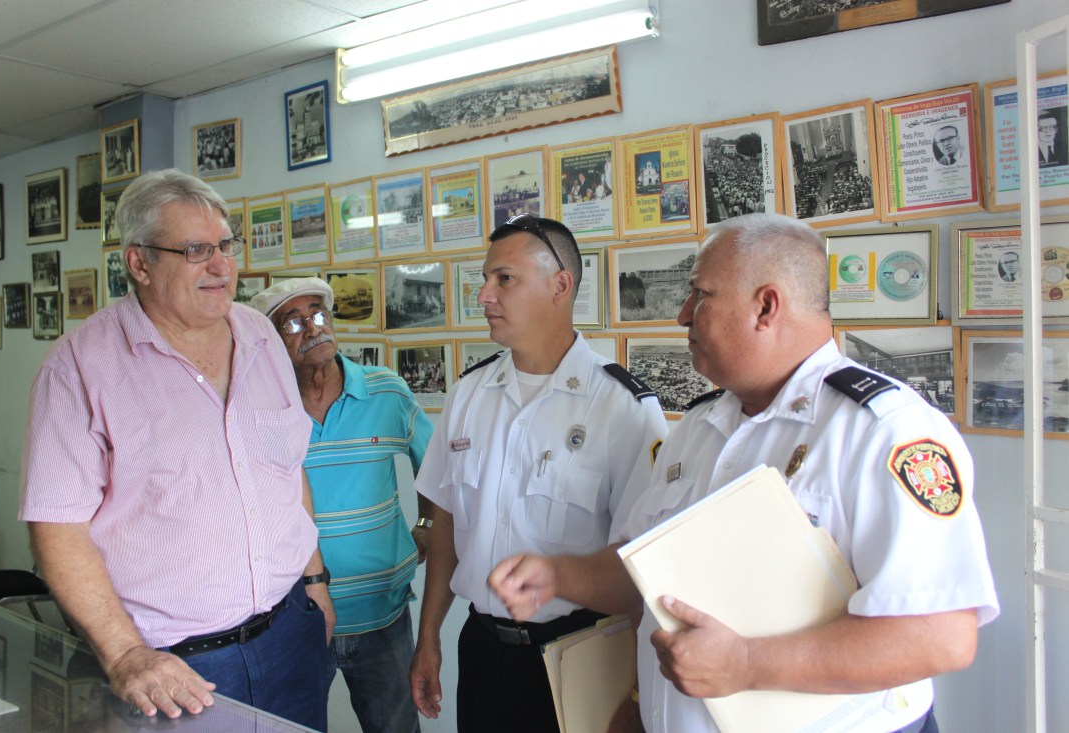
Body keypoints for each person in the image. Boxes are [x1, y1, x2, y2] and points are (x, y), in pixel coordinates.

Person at [489, 213, 999, 733]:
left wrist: (748, 663)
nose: (682, 315)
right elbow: (647, 576)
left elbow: (940, 635)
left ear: (766, 307)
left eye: (700, 296)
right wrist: (559, 577)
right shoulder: (700, 427)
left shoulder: (884, 432)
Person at [18, 169, 334, 731]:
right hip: (173, 667)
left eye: (224, 247)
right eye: (194, 250)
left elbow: (286, 470)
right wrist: (124, 656)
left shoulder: (261, 336)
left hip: (291, 633)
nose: (220, 266)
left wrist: (314, 584)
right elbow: (56, 531)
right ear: (139, 263)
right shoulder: (79, 368)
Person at [409, 214, 668, 733]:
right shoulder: (467, 395)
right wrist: (429, 636)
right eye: (484, 279)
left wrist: (640, 691)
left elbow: (645, 562)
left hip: (581, 654)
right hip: (481, 649)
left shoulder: (621, 407)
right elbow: (445, 528)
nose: (484, 295)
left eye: (504, 278)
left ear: (560, 285)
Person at [251, 277, 435, 733]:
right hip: (294, 618)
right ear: (271, 342)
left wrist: (427, 520)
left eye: (317, 314)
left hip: (382, 614)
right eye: (292, 322)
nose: (312, 329)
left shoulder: (386, 391)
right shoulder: (261, 407)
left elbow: (436, 466)